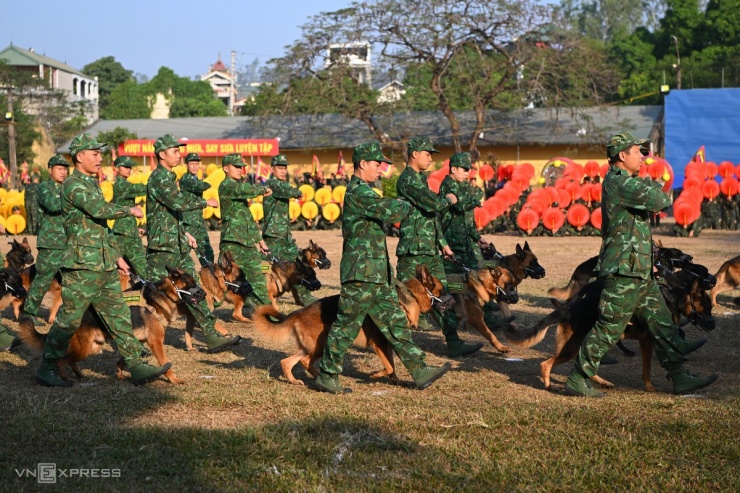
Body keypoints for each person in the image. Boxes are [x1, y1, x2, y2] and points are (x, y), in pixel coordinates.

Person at [565, 131, 717, 397]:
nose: (644, 157)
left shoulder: (629, 182)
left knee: (663, 323)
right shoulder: (619, 182)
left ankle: (679, 376)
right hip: (623, 270)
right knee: (610, 327)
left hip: (640, 270)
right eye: (638, 152)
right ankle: (578, 377)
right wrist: (654, 186)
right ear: (622, 156)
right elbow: (662, 200)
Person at [33, 133, 170, 387]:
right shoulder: (73, 185)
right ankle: (47, 367)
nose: (99, 158)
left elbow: (100, 225)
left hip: (104, 263)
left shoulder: (91, 183)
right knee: (69, 320)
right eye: (94, 154)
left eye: (100, 154)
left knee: (118, 314)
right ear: (79, 157)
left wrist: (117, 257)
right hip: (82, 265)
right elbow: (98, 209)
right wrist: (128, 209)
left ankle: (136, 365)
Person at [314, 142, 451, 394]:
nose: (381, 170)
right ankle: (327, 375)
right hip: (361, 275)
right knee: (346, 326)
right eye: (377, 164)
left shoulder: (366, 190)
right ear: (363, 164)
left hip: (376, 274)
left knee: (396, 323)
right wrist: (411, 200)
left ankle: (419, 370)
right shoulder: (357, 191)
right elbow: (389, 210)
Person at [146, 134, 240, 353]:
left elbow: (170, 213)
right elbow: (176, 202)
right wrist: (204, 201)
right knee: (151, 293)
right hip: (163, 248)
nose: (179, 154)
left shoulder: (169, 177)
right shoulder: (159, 177)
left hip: (176, 243)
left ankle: (210, 334)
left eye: (179, 151)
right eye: (175, 151)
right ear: (162, 154)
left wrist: (184, 232)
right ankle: (133, 338)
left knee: (194, 290)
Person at [395, 137, 482, 357]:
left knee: (443, 296)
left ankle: (453, 342)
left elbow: (433, 216)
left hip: (430, 249)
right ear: (414, 154)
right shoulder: (407, 179)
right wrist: (450, 199)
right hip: (413, 250)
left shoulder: (421, 178)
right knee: (406, 299)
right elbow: (432, 204)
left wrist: (442, 243)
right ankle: (399, 345)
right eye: (427, 154)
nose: (430, 158)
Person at [218, 153, 273, 311]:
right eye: (236, 167)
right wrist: (262, 189)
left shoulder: (238, 189)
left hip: (247, 244)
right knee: (223, 282)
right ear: (226, 168)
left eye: (241, 167)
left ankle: (269, 314)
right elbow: (245, 189)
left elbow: (248, 218)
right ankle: (203, 311)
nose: (240, 169)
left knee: (258, 280)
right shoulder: (227, 186)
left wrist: (260, 240)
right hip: (232, 243)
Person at [261, 153, 315, 305]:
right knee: (264, 267)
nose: (283, 171)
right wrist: (298, 192)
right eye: (280, 168)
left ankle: (304, 297)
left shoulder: (281, 185)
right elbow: (293, 192)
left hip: (284, 234)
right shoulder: (272, 184)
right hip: (272, 235)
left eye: (285, 168)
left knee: (295, 264)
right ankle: (259, 298)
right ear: (272, 169)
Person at [23, 155, 71, 322]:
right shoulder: (44, 187)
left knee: (71, 281)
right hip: (51, 243)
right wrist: (73, 199)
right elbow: (53, 205)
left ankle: (69, 315)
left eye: (65, 169)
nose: (63, 172)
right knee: (42, 280)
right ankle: (29, 314)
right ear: (50, 170)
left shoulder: (67, 187)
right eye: (59, 168)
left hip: (68, 242)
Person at [111, 156, 149, 279]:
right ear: (116, 168)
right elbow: (138, 189)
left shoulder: (125, 183)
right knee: (111, 266)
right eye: (125, 166)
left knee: (144, 268)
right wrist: (157, 185)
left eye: (130, 167)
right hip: (122, 233)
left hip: (131, 232)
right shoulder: (120, 185)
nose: (129, 169)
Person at [180, 152, 215, 267]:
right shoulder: (186, 180)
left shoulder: (196, 179)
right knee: (182, 257)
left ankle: (209, 279)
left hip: (198, 222)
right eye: (192, 164)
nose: (195, 166)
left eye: (197, 163)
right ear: (187, 165)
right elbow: (200, 186)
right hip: (188, 224)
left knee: (208, 255)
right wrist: (209, 184)